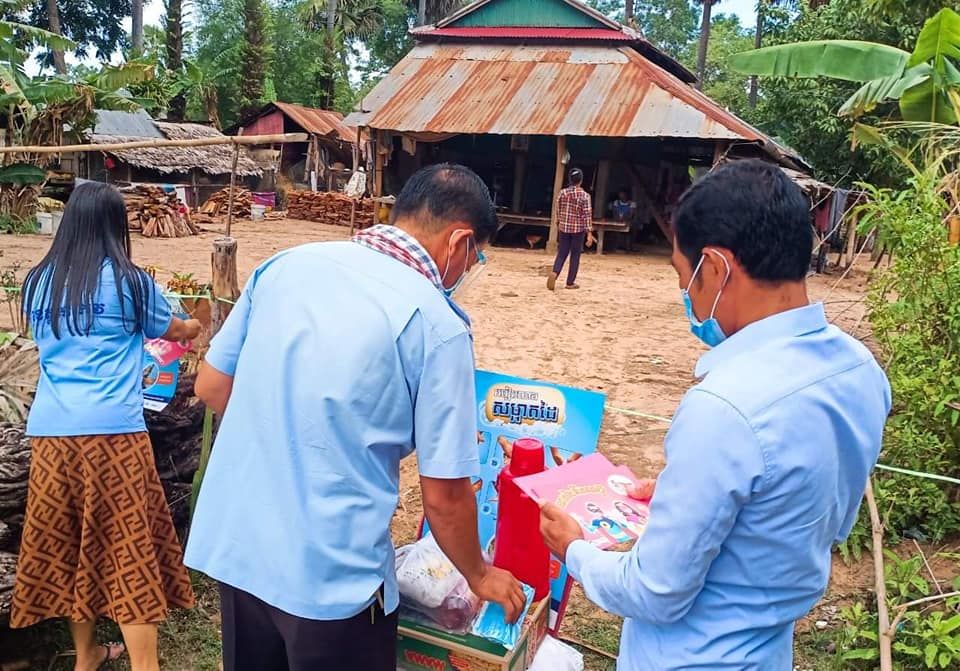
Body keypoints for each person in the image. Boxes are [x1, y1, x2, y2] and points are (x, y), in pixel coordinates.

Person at [540, 159, 891, 670]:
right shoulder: (859, 371)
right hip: (768, 651)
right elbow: (810, 515)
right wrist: (689, 495)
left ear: (715, 269)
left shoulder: (725, 407)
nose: (686, 294)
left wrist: (574, 550)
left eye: (683, 277)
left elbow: (654, 592)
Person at [186, 164, 525, 671]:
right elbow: (445, 494)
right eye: (476, 257)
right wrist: (479, 574)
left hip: (239, 547)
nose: (469, 269)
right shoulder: (437, 325)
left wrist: (289, 429)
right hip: (330, 576)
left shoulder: (285, 266)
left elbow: (211, 386)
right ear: (459, 242)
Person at [11, 182, 201, 671]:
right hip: (115, 435)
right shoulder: (131, 282)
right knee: (126, 546)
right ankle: (145, 666)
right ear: (117, 225)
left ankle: (85, 656)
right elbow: (174, 331)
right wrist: (194, 324)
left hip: (51, 436)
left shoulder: (37, 281)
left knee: (74, 544)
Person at [548, 168, 595, 291]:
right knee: (575, 255)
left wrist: (558, 222)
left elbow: (558, 209)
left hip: (564, 228)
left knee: (561, 253)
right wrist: (589, 233)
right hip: (578, 230)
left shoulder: (562, 193)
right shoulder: (585, 196)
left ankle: (555, 272)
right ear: (581, 180)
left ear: (570, 179)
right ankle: (570, 282)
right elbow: (587, 215)